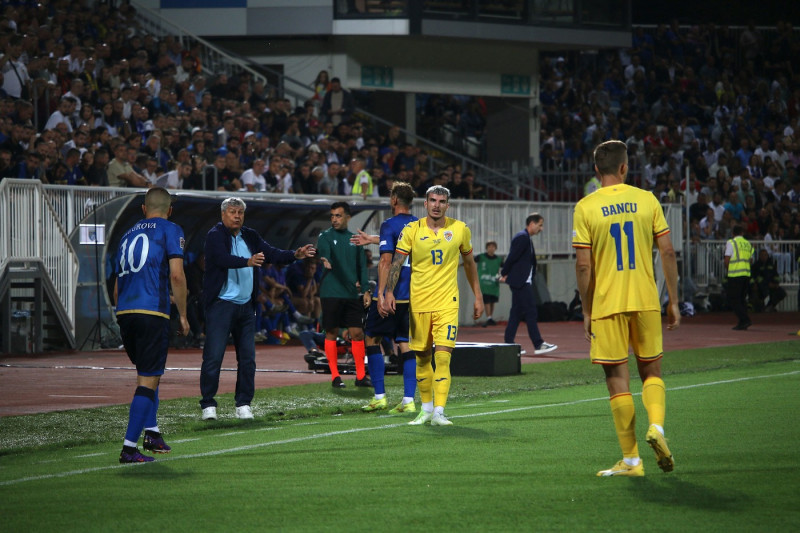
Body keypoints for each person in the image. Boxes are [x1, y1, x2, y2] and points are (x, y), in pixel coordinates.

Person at [572, 139, 680, 477]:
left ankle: (632, 460)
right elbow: (667, 252)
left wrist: (586, 310)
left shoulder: (586, 206)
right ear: (624, 168)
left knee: (617, 379)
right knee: (651, 372)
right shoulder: (646, 200)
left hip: (607, 304)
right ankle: (658, 428)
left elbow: (584, 265)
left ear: (596, 171)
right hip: (646, 301)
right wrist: (674, 300)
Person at [199, 197, 316, 420]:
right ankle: (208, 405)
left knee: (248, 359)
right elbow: (221, 259)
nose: (237, 216)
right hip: (221, 305)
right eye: (233, 212)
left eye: (240, 212)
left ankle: (243, 404)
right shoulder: (214, 235)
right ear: (223, 214)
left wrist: (295, 255)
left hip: (245, 307)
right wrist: (247, 262)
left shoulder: (250, 235)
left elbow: (271, 253)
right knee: (213, 356)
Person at [384, 185, 484, 426]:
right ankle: (426, 409)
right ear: (425, 204)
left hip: (447, 302)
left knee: (443, 357)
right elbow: (397, 263)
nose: (437, 205)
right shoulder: (412, 230)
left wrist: (478, 296)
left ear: (447, 205)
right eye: (432, 200)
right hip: (419, 303)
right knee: (421, 358)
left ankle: (439, 411)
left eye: (441, 201)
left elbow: (469, 264)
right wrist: (388, 291)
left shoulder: (459, 229)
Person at [114, 187, 189, 463]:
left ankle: (153, 433)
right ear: (169, 210)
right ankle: (129, 448)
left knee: (149, 373)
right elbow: (177, 276)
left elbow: (117, 285)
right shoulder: (170, 229)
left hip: (125, 312)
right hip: (152, 312)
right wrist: (182, 314)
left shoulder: (126, 234)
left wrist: (121, 312)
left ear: (143, 209)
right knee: (147, 381)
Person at [352, 182, 419, 414]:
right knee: (405, 344)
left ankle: (380, 396)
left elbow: (386, 261)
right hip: (415, 297)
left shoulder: (389, 224)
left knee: (371, 338)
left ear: (393, 200)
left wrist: (381, 294)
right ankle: (409, 401)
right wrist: (373, 239)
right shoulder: (421, 225)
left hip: (394, 294)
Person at [316, 201, 371, 388]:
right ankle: (335, 377)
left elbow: (362, 268)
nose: (334, 219)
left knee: (357, 333)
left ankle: (361, 376)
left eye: (338, 215)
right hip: (331, 292)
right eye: (332, 216)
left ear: (347, 217)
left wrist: (366, 290)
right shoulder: (324, 236)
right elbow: (324, 251)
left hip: (351, 294)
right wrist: (324, 258)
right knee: (331, 332)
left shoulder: (355, 239)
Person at [500, 214, 557, 355]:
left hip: (522, 281)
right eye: (540, 225)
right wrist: (504, 273)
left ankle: (509, 343)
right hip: (521, 282)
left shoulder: (525, 238)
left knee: (516, 313)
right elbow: (512, 257)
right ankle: (538, 344)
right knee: (531, 312)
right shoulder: (522, 237)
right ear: (532, 223)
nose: (541, 229)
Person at [725, 224, 754, 330]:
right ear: (742, 233)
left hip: (735, 274)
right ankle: (742, 322)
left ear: (733, 233)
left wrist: (728, 270)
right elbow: (751, 260)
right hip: (746, 273)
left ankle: (745, 319)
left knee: (733, 299)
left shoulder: (731, 242)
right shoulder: (748, 244)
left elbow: (727, 259)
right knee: (742, 299)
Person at [476, 241, 503, 326]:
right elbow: (470, 261)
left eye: (493, 247)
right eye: (489, 247)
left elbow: (504, 268)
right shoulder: (481, 257)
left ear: (495, 248)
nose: (491, 248)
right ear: (486, 248)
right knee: (486, 300)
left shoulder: (498, 260)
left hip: (494, 284)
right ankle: (489, 317)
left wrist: (500, 277)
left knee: (492, 301)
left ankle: (490, 317)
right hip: (483, 283)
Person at [750, 249, 786, 313]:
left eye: (765, 255)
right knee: (757, 299)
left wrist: (776, 284)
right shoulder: (756, 266)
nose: (764, 257)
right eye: (762, 255)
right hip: (760, 287)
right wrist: (767, 284)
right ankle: (761, 308)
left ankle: (770, 306)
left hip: (772, 286)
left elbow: (776, 276)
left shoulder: (771, 264)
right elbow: (756, 277)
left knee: (782, 293)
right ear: (759, 256)